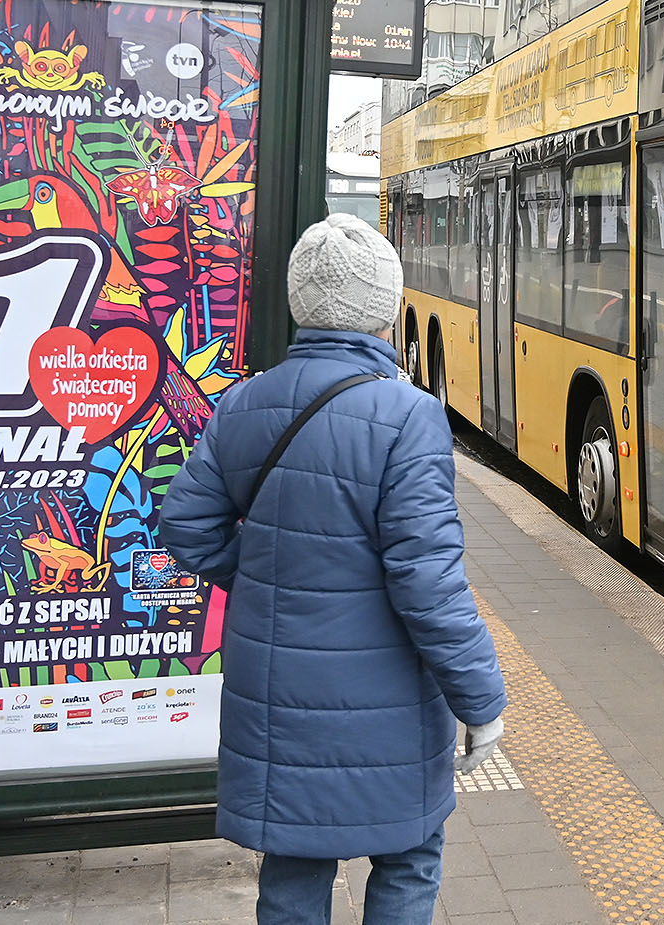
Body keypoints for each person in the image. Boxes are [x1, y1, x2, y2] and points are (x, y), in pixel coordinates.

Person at [163, 214, 507, 925]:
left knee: (292, 866)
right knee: (409, 857)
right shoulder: (409, 416)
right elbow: (428, 582)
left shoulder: (243, 402)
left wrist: (265, 574)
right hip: (388, 699)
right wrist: (482, 700)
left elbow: (184, 523)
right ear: (385, 308)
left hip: (277, 699)